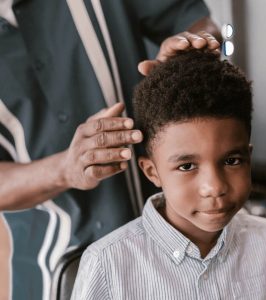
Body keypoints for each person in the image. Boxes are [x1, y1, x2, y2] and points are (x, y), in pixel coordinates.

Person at [0, 0, 222, 299]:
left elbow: (201, 25)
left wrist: (188, 58)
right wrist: (64, 169)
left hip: (177, 243)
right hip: (52, 274)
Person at [71, 49, 266, 299]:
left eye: (232, 161)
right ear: (152, 171)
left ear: (249, 157)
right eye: (187, 166)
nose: (214, 186)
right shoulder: (108, 264)